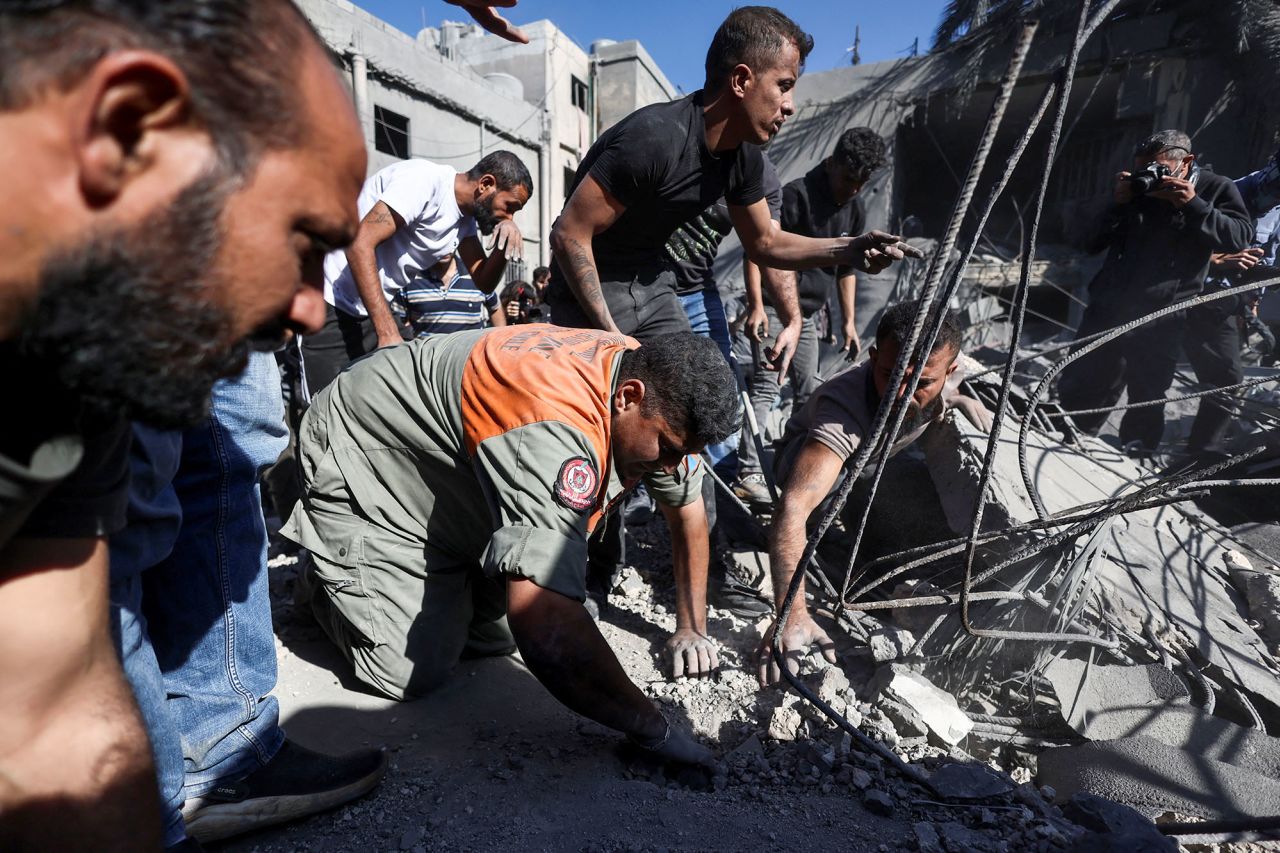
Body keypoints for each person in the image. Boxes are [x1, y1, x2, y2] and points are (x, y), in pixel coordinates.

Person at [0, 1, 367, 848]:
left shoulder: (88, 360)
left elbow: (57, 721)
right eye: (304, 239)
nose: (316, 310)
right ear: (132, 129)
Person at [544, 7, 920, 672]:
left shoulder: (744, 158)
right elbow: (571, 233)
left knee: (691, 423)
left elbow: (768, 242)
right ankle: (585, 573)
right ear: (743, 80)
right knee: (596, 439)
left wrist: (851, 246)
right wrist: (607, 337)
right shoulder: (653, 139)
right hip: (590, 289)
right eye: (786, 85)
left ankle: (695, 611)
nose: (793, 104)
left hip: (657, 289)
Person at [283, 327, 739, 762]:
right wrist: (651, 729)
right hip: (363, 443)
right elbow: (543, 624)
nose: (671, 465)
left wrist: (691, 627)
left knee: (494, 636)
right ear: (628, 397)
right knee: (412, 670)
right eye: (667, 449)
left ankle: (431, 570)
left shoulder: (650, 384)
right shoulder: (554, 423)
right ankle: (323, 573)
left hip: (443, 468)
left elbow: (689, 510)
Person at [110, 355, 387, 851]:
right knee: (117, 499)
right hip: (116, 288)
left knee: (227, 451)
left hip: (204, 284)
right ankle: (143, 819)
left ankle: (225, 749)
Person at [755, 302, 992, 687]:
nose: (901, 393)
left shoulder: (939, 378)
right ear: (874, 356)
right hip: (808, 463)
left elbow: (944, 385)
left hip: (873, 463)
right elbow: (793, 506)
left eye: (922, 384)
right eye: (890, 374)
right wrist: (791, 615)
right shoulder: (844, 408)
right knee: (832, 495)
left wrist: (959, 400)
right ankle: (831, 545)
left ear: (948, 372)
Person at [1057, 130, 1253, 456]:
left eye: (1158, 169)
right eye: (1143, 169)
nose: (1149, 177)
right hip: (1110, 304)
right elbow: (1087, 242)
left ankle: (1138, 454)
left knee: (1148, 392)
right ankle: (1068, 440)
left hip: (1162, 312)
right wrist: (1116, 203)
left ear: (1186, 162)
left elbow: (1238, 237)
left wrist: (1192, 204)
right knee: (1085, 378)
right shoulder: (1135, 189)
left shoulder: (1214, 188)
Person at [734, 127, 889, 505]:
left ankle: (793, 471)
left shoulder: (853, 208)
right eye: (848, 179)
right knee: (769, 386)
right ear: (832, 163)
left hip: (806, 317)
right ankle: (749, 471)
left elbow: (847, 269)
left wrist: (848, 322)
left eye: (861, 183)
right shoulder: (798, 195)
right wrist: (756, 306)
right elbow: (757, 250)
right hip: (773, 308)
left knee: (811, 393)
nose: (853, 189)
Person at [301, 151, 530, 395]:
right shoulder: (423, 181)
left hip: (368, 310)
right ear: (486, 184)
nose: (510, 216)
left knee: (367, 412)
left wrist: (505, 242)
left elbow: (484, 282)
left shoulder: (464, 222)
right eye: (509, 207)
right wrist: (388, 332)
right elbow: (358, 244)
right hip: (327, 301)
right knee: (322, 412)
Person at [1183, 145, 1280, 460]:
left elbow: (1266, 262)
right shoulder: (1221, 191)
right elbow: (1174, 246)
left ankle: (1201, 454)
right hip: (1184, 293)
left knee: (1226, 377)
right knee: (1144, 364)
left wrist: (1252, 302)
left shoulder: (1278, 213)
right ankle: (1133, 443)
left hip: (1221, 304)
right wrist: (1218, 261)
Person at [397, 252, 506, 337]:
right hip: (428, 361)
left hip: (469, 359)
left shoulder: (475, 275)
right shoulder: (411, 279)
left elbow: (495, 307)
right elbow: (398, 319)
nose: (445, 246)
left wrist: (500, 340)